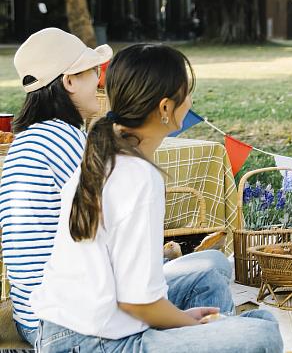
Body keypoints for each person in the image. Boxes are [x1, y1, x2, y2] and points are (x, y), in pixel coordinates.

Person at [31, 44, 282, 352]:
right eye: (187, 92)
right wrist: (188, 325)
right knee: (263, 334)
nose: (190, 101)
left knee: (212, 280)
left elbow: (131, 294)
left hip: (73, 328)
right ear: (165, 108)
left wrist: (183, 321)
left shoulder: (105, 154)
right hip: (93, 342)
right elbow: (138, 304)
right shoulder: (136, 176)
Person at [0, 28, 233, 346]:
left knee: (206, 268)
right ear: (69, 81)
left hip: (35, 309)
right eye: (92, 72)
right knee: (214, 268)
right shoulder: (64, 139)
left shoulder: (29, 138)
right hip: (67, 317)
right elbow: (108, 234)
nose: (99, 82)